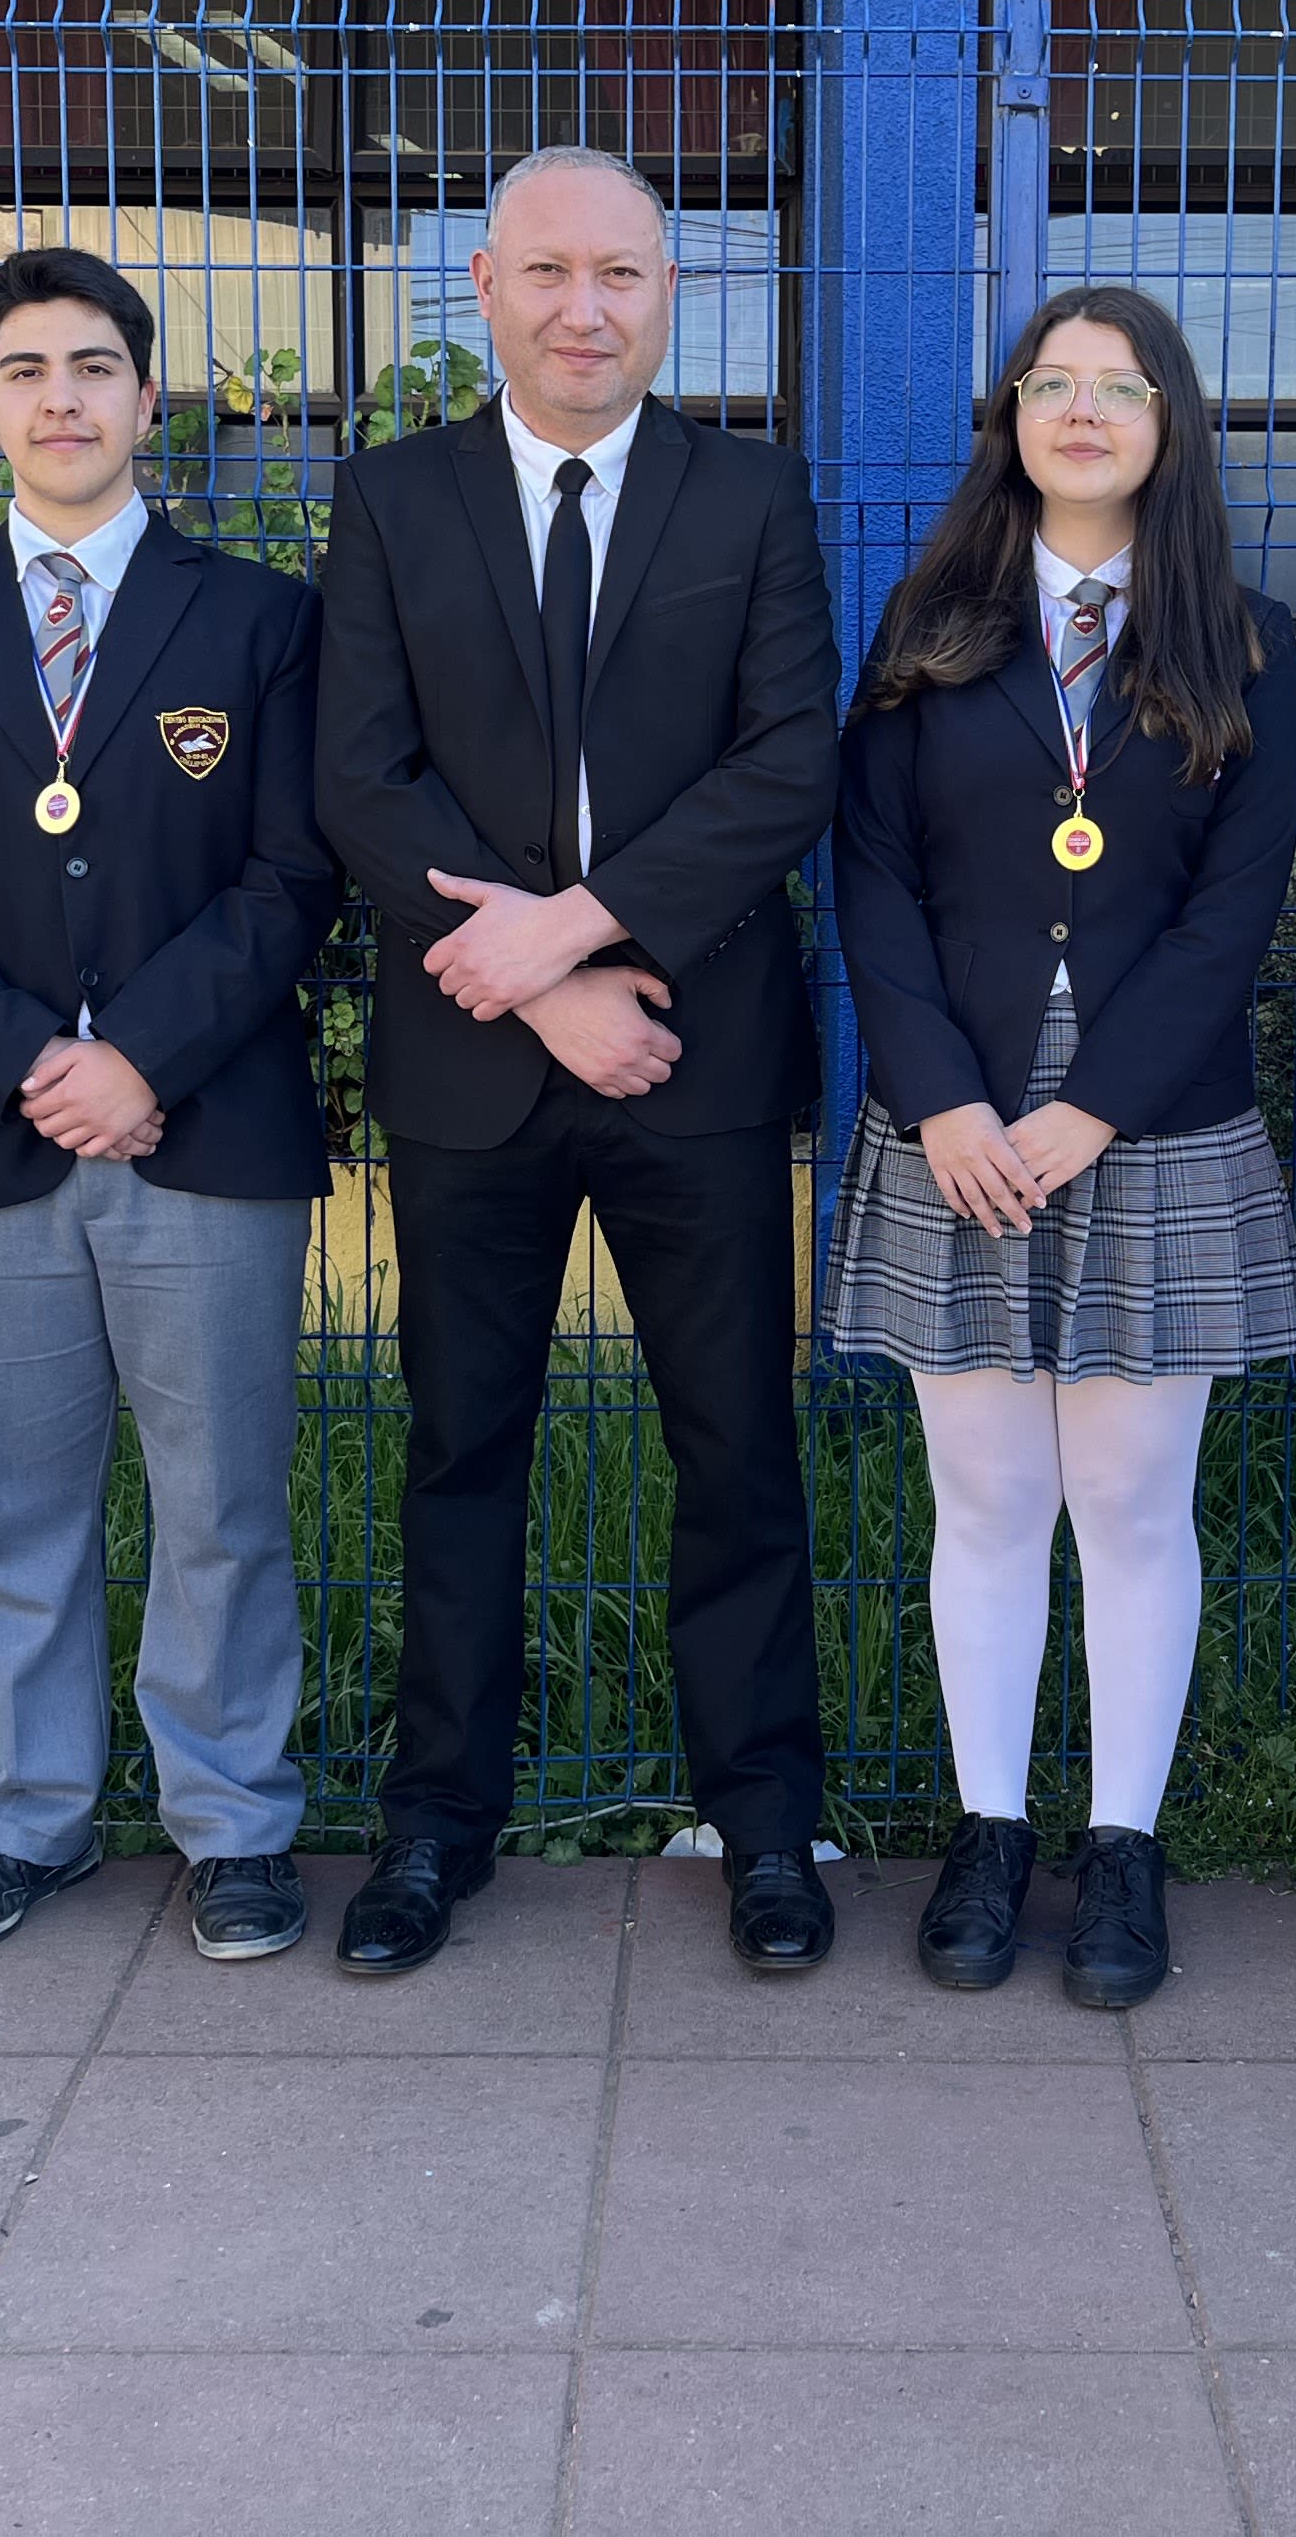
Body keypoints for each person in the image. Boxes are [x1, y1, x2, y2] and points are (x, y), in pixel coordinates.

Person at [314, 144, 842, 1977]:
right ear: (485, 287)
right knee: (462, 1453)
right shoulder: (392, 502)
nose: (584, 308)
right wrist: (542, 979)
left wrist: (596, 921)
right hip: (481, 1063)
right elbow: (358, 778)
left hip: (689, 1055)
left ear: (668, 290)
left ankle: (770, 1827)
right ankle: (435, 1829)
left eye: (620, 273)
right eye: (548, 273)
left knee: (736, 1452)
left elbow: (788, 763)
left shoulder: (751, 498)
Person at [0, 247, 342, 1964]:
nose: (62, 397)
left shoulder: (264, 619)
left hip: (204, 1128)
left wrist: (140, 1054)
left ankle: (234, 1823)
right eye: (27, 369)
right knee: (20, 1507)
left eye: (96, 366)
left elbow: (294, 875)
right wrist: (29, 1064)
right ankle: (31, 1817)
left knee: (221, 1502)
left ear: (147, 397)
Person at [826, 286, 1296, 2008]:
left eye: (1121, 388)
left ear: (1170, 423)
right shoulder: (931, 624)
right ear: (1013, 416)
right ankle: (987, 1831)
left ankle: (1122, 1846)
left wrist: (1088, 1109)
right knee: (990, 1493)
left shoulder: (1244, 644)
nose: (1085, 411)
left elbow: (1232, 918)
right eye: (1055, 384)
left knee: (1126, 1499)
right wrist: (947, 1099)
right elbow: (869, 878)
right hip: (948, 1115)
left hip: (1149, 1124)